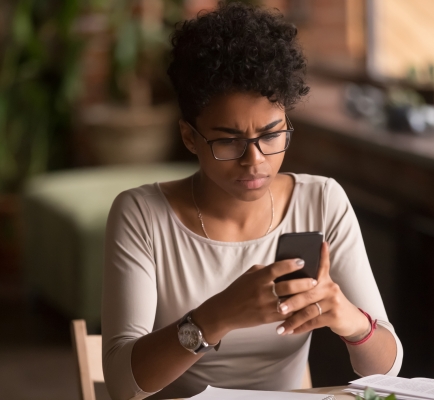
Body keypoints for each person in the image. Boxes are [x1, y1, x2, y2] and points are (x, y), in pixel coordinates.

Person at [101, 3, 403, 399]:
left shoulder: (321, 200)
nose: (255, 160)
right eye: (229, 140)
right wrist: (217, 316)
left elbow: (388, 373)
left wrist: (349, 319)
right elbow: (124, 386)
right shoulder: (141, 215)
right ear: (190, 137)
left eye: (272, 135)